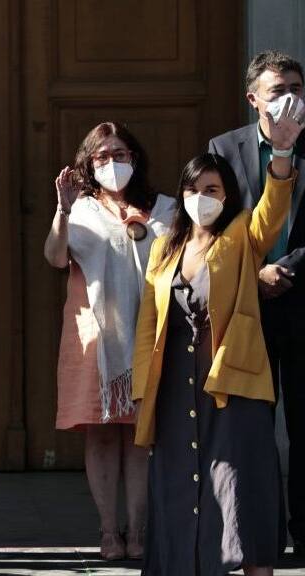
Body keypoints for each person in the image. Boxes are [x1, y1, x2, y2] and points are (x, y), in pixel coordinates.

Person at [134, 102, 303, 575]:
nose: (200, 196)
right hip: (174, 390)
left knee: (240, 493)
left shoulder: (241, 235)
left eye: (211, 189)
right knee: (179, 493)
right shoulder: (165, 247)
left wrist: (282, 152)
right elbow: (149, 322)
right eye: (192, 188)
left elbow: (273, 210)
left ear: (227, 195)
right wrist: (144, 391)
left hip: (233, 388)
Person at [43, 122, 174, 559]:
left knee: (140, 435)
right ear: (88, 163)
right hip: (94, 340)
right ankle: (108, 531)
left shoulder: (166, 209)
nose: (112, 163)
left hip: (149, 336)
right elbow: (55, 257)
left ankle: (138, 531)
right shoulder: (79, 208)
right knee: (100, 435)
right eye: (102, 156)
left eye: (120, 154)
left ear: (134, 160)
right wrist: (62, 211)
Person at [208, 49, 305, 555]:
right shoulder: (224, 148)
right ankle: (259, 534)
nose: (289, 99)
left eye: (296, 88)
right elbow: (219, 225)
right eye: (277, 90)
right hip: (249, 304)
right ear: (253, 99)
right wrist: (257, 270)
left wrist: (289, 266)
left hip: (302, 296)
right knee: (253, 425)